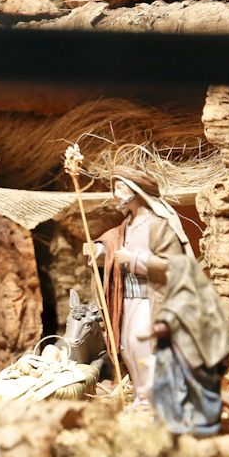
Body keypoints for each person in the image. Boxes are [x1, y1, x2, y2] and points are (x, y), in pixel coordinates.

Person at [85, 174, 192, 406]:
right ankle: (142, 397)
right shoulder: (127, 225)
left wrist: (135, 259)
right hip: (127, 298)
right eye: (115, 188)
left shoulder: (158, 225)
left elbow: (174, 264)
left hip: (150, 297)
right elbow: (112, 241)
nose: (116, 194)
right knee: (126, 347)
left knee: (143, 345)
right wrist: (100, 250)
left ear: (136, 190)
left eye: (120, 188)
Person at [150, 256, 229, 436]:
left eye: (171, 271)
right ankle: (185, 419)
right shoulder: (204, 295)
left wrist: (161, 328)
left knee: (195, 389)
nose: (169, 275)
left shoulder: (185, 298)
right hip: (193, 356)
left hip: (196, 359)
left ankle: (196, 421)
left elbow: (172, 319)